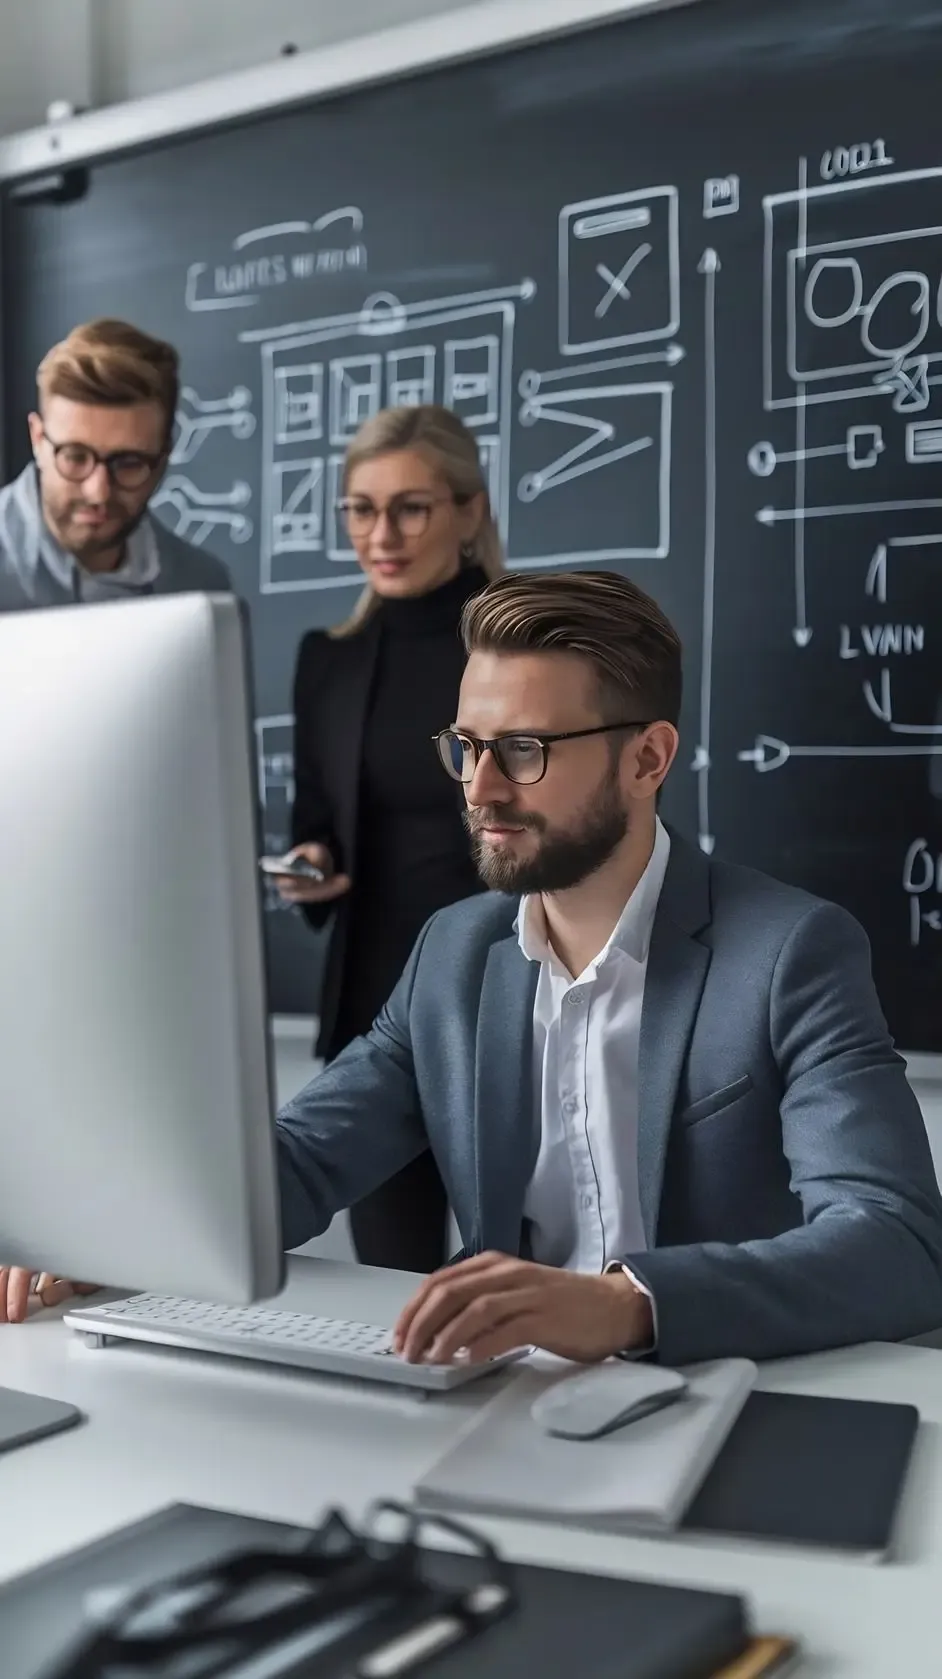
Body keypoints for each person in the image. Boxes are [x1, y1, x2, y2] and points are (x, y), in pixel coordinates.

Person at [6, 571, 942, 1365]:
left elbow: (898, 1245)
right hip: (508, 1404)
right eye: (467, 746)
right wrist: (110, 1237)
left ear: (648, 758)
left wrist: (627, 1303)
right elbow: (300, 1161)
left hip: (731, 1396)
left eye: (525, 750)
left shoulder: (791, 952)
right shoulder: (454, 953)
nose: (481, 789)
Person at [272, 404, 501, 1273]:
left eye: (411, 507)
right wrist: (313, 864)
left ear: (469, 511)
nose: (383, 532)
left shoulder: (522, 645)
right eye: (361, 509)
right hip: (377, 1012)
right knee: (395, 1288)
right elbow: (317, 820)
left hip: (506, 994)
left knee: (531, 1276)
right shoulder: (326, 658)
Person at [0, 318, 230, 611]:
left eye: (129, 463)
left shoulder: (201, 588)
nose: (98, 492)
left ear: (164, 457)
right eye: (75, 456)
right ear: (37, 439)